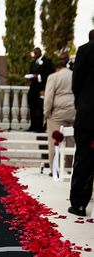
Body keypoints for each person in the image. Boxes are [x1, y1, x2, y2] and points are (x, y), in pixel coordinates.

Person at [68, 29, 94, 217]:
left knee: (83, 159)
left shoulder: (85, 50)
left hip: (88, 113)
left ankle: (79, 204)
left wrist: (80, 101)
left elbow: (76, 82)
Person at [43, 54, 75, 175]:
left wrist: (46, 114)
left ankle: (55, 169)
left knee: (55, 141)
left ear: (56, 67)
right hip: (73, 111)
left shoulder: (53, 77)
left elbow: (48, 98)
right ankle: (70, 168)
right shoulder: (74, 75)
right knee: (71, 141)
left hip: (57, 113)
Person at [25, 47, 53, 132]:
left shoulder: (47, 61)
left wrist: (38, 76)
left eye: (36, 53)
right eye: (34, 53)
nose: (35, 55)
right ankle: (32, 126)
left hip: (42, 88)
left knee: (40, 107)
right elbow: (31, 72)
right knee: (32, 106)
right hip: (33, 87)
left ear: (40, 52)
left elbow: (49, 74)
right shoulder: (33, 62)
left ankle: (39, 127)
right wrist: (29, 77)